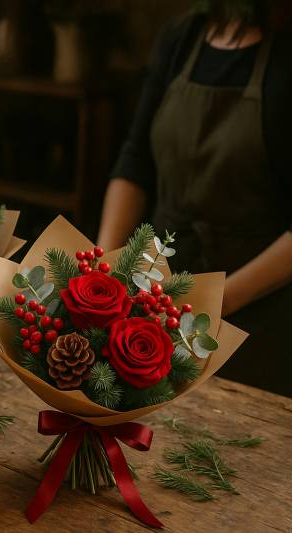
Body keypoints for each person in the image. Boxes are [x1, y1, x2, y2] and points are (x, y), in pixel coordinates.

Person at [97, 0, 292, 396]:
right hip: (155, 291)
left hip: (252, 316)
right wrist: (102, 273)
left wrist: (212, 304)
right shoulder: (182, 36)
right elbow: (135, 165)